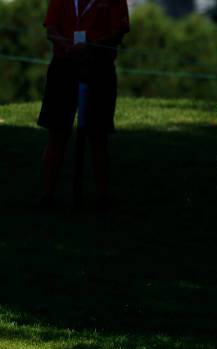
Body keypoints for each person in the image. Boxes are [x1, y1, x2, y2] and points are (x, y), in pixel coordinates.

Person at [37, 0, 130, 210]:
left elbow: (118, 33)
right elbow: (50, 28)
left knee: (99, 135)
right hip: (63, 66)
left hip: (99, 68)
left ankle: (102, 196)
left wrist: (90, 47)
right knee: (56, 133)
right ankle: (47, 195)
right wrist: (68, 46)